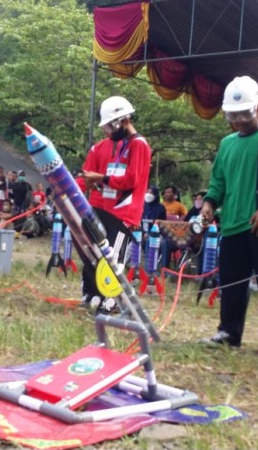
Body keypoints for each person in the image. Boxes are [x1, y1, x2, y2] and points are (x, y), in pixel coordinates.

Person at [200, 75, 258, 358]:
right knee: (232, 282)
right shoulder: (227, 143)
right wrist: (209, 203)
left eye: (244, 114)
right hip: (233, 224)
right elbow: (218, 181)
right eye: (233, 115)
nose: (239, 121)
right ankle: (229, 332)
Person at [77, 95, 152, 313]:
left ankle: (111, 301)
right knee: (95, 255)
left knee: (113, 259)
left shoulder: (139, 145)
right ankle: (92, 295)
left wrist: (101, 178)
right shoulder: (116, 146)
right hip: (106, 210)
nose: (107, 131)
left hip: (125, 214)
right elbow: (99, 176)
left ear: (122, 120)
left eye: (110, 126)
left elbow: (132, 180)